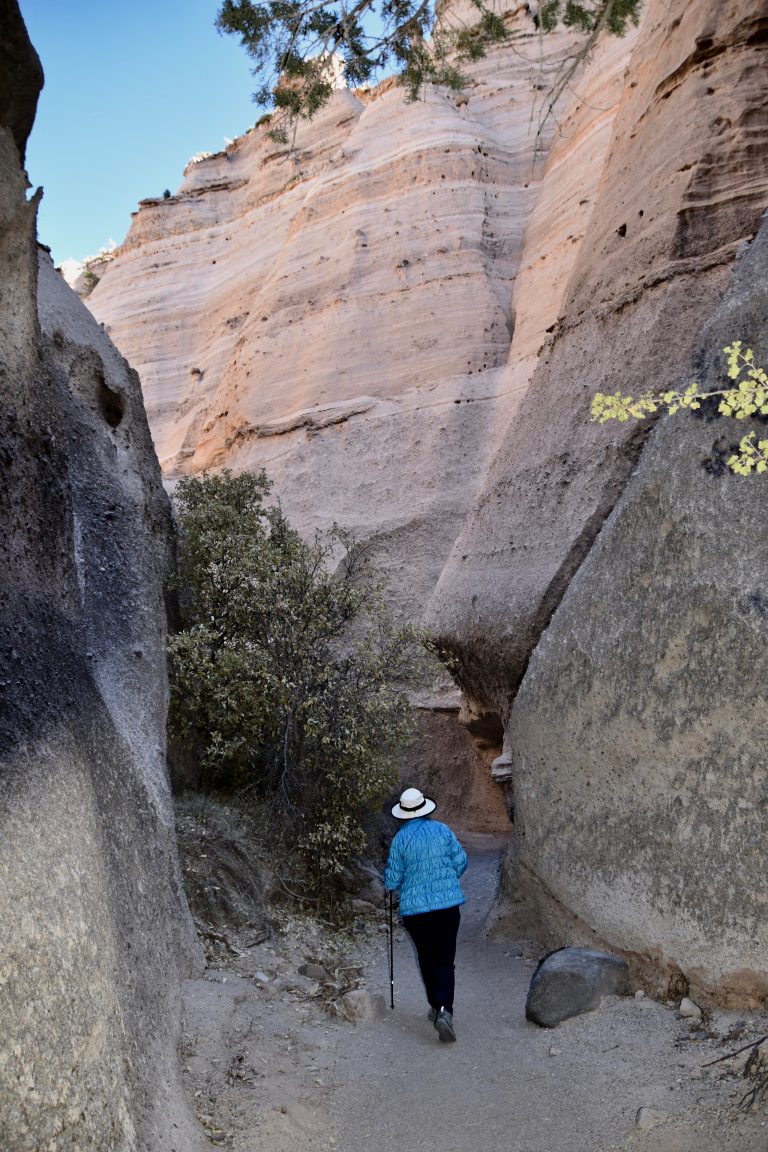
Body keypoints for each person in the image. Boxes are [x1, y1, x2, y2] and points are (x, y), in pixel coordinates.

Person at [384, 787, 468, 1043]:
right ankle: (445, 1011)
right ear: (424, 808)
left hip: (416, 913)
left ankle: (435, 1006)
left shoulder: (400, 840)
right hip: (447, 908)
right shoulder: (443, 830)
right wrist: (447, 880)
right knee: (445, 960)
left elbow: (392, 880)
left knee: (427, 959)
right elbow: (462, 861)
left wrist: (394, 880)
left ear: (403, 814)